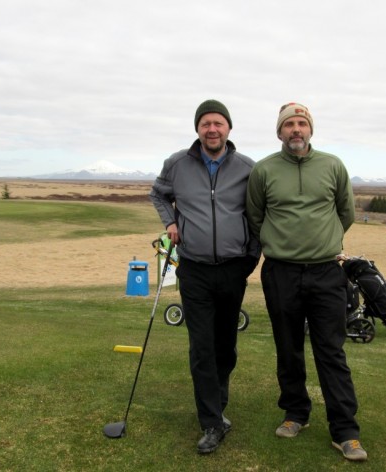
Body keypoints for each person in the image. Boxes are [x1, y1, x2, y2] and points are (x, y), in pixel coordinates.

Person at [246, 102, 367, 462]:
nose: (295, 129)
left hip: (326, 271)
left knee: (331, 350)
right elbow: (255, 216)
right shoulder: (264, 170)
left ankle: (345, 431)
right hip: (280, 271)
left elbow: (345, 212)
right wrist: (281, 242)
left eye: (301, 123)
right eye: (289, 124)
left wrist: (322, 242)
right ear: (279, 132)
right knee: (288, 347)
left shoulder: (333, 165)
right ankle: (295, 412)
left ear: (310, 129)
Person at [149, 99, 260, 454]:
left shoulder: (248, 168)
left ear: (229, 128)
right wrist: (170, 221)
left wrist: (250, 257)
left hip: (233, 268)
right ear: (197, 128)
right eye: (205, 124)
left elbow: (258, 215)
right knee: (201, 347)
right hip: (194, 269)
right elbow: (158, 194)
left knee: (225, 346)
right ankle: (211, 422)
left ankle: (218, 405)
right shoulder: (177, 164)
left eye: (218, 123)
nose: (212, 129)